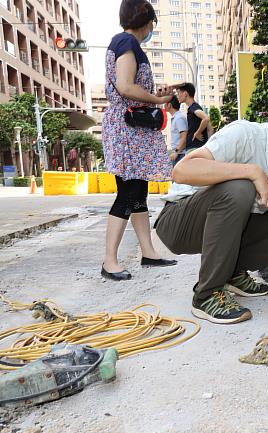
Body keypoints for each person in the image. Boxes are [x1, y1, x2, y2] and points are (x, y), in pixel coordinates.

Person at [155, 93, 268, 324]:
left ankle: (232, 273)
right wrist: (252, 172)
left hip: (230, 224)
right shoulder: (244, 134)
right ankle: (207, 294)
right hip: (179, 222)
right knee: (240, 188)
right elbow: (182, 171)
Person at [101, 0, 177, 281]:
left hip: (131, 128)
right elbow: (125, 86)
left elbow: (130, 86)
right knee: (128, 192)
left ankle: (149, 252)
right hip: (127, 130)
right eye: (152, 24)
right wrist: (157, 99)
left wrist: (155, 95)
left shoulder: (125, 43)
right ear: (146, 21)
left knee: (138, 191)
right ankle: (109, 261)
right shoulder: (126, 42)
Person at [176, 82, 212, 150]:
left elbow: (206, 118)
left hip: (195, 148)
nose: (177, 96)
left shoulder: (193, 107)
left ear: (185, 94)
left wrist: (198, 132)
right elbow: (210, 128)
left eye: (178, 93)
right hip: (197, 148)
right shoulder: (194, 107)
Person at [165, 95, 187, 165]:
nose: (164, 105)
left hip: (180, 154)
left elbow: (184, 136)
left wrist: (176, 152)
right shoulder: (176, 117)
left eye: (165, 103)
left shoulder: (179, 118)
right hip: (178, 154)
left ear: (169, 105)